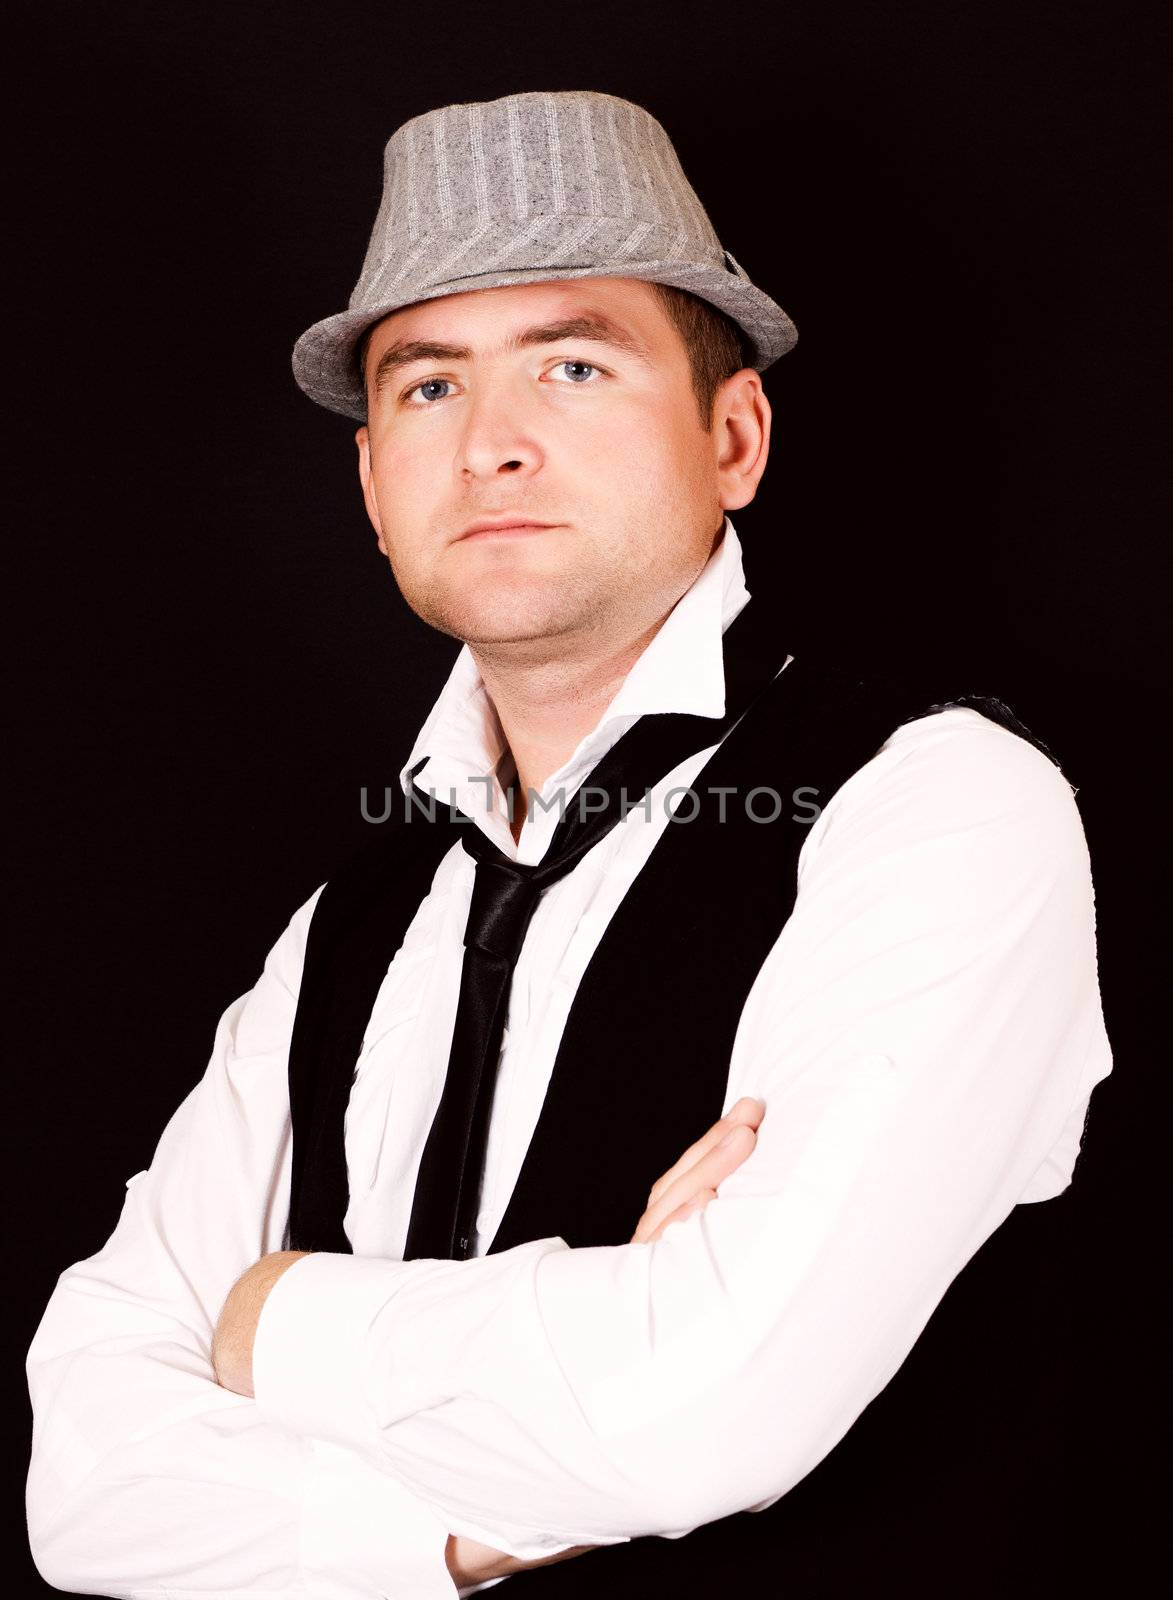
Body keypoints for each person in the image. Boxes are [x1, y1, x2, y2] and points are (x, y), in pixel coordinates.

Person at [26, 89, 1113, 1599]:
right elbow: (80, 1492)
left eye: (577, 366)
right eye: (425, 389)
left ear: (731, 438)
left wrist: (269, 1321)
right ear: (368, 487)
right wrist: (481, 1518)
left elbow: (704, 1418)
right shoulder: (353, 911)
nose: (493, 448)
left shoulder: (932, 806)